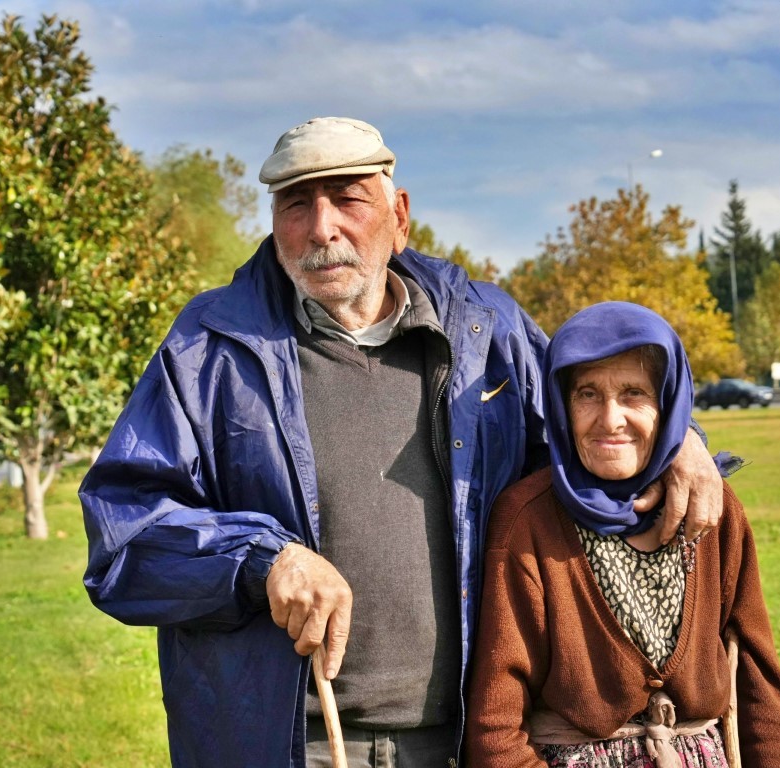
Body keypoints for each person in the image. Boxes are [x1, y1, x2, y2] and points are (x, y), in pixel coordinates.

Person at [79, 117, 725, 767]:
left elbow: (596, 433)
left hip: (471, 738)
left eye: (348, 198)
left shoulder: (486, 327)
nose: (321, 228)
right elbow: (124, 540)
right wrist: (262, 561)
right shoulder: (210, 345)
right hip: (293, 745)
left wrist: (680, 444)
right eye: (295, 204)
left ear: (400, 214)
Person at [466, 302, 780, 768]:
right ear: (560, 406)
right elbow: (494, 727)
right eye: (586, 394)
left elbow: (760, 685)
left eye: (634, 393)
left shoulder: (712, 506)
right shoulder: (528, 519)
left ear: (669, 402)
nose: (610, 418)